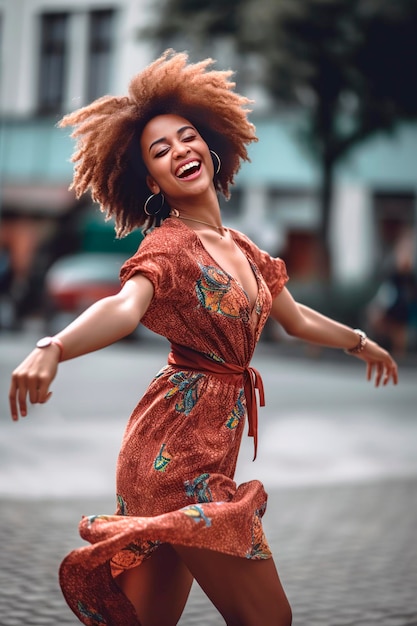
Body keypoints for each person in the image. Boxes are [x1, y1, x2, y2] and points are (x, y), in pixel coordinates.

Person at [9, 50, 398, 626]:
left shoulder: (246, 250)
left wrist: (360, 340)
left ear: (211, 148)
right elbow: (123, 307)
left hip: (210, 447)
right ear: (152, 181)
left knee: (144, 621)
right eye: (159, 151)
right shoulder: (166, 246)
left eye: (186, 138)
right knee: (269, 619)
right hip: (175, 457)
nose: (179, 152)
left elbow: (295, 319)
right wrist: (53, 346)